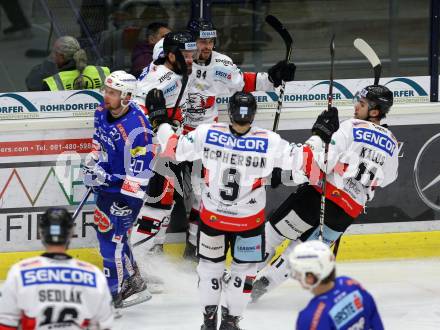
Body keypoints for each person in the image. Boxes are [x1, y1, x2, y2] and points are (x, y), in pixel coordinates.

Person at [150, 91, 330, 330]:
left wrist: (160, 120)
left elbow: (172, 149)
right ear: (253, 114)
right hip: (248, 222)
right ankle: (231, 322)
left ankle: (208, 322)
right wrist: (320, 135)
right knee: (243, 274)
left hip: (213, 218)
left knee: (209, 271)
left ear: (230, 112)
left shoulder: (207, 133)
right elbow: (307, 164)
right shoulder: (270, 141)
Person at [251, 85, 399, 302]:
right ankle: (263, 286)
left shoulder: (351, 126)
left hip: (317, 198)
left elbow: (324, 164)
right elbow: (389, 178)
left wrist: (322, 138)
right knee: (299, 253)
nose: (356, 106)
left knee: (271, 235)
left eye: (362, 104)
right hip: (345, 214)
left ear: (375, 111)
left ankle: (240, 281)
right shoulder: (392, 143)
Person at [82, 70, 154, 309]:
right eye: (106, 90)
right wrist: (93, 163)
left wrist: (123, 199)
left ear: (126, 96)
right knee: (111, 237)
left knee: (110, 243)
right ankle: (134, 281)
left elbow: (141, 173)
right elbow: (98, 142)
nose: (106, 96)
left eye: (112, 92)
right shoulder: (101, 112)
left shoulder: (138, 130)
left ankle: (112, 293)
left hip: (126, 195)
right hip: (107, 188)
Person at [0, 208, 114, 330]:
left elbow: (5, 324)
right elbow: (103, 325)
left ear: (41, 233)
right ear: (70, 234)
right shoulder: (94, 275)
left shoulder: (20, 273)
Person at [288, 240, 384, 330]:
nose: (296, 276)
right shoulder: (351, 284)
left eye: (299, 272)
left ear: (311, 276)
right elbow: (374, 319)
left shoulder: (309, 317)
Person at [26, 36, 110, 91]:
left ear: (61, 57)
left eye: (55, 54)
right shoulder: (103, 72)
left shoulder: (52, 83)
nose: (53, 57)